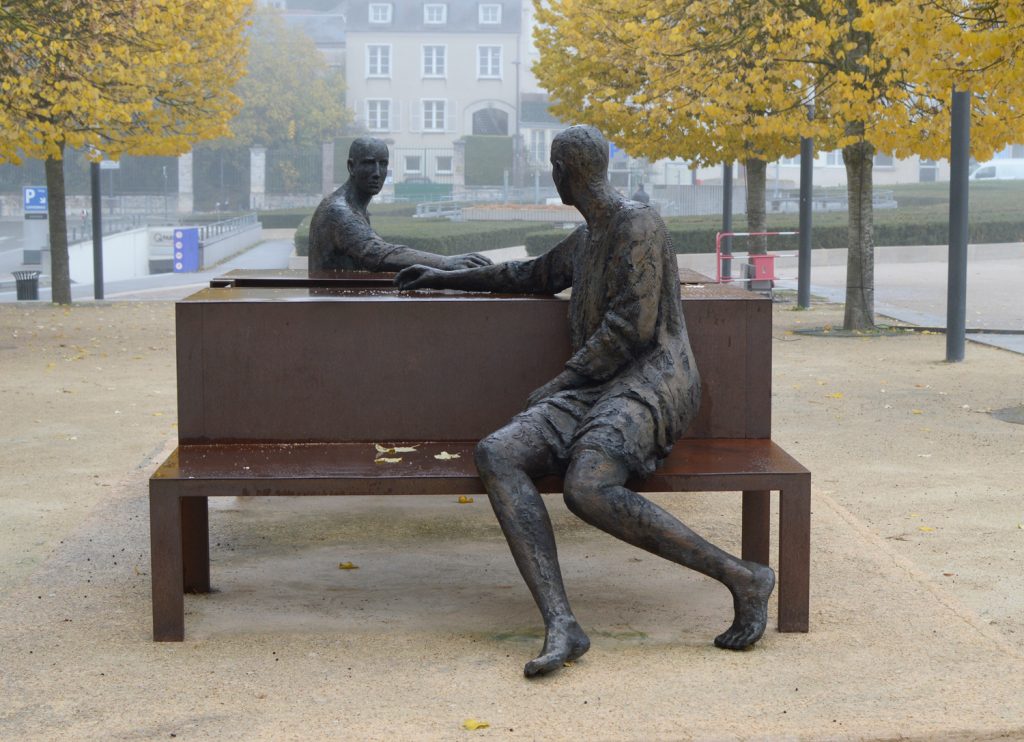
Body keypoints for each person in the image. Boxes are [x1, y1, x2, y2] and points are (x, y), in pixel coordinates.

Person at [395, 125, 775, 678]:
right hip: (593, 385)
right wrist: (444, 275)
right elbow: (530, 275)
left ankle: (743, 577)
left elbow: (635, 328)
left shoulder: (637, 224)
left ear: (562, 174)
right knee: (497, 453)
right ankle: (562, 623)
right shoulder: (588, 238)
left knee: (587, 487)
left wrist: (561, 381)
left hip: (652, 381)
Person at [308, 137, 491, 275]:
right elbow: (377, 253)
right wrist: (445, 262)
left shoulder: (354, 207)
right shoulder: (339, 211)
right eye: (369, 163)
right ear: (351, 166)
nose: (377, 173)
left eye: (383, 164)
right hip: (333, 310)